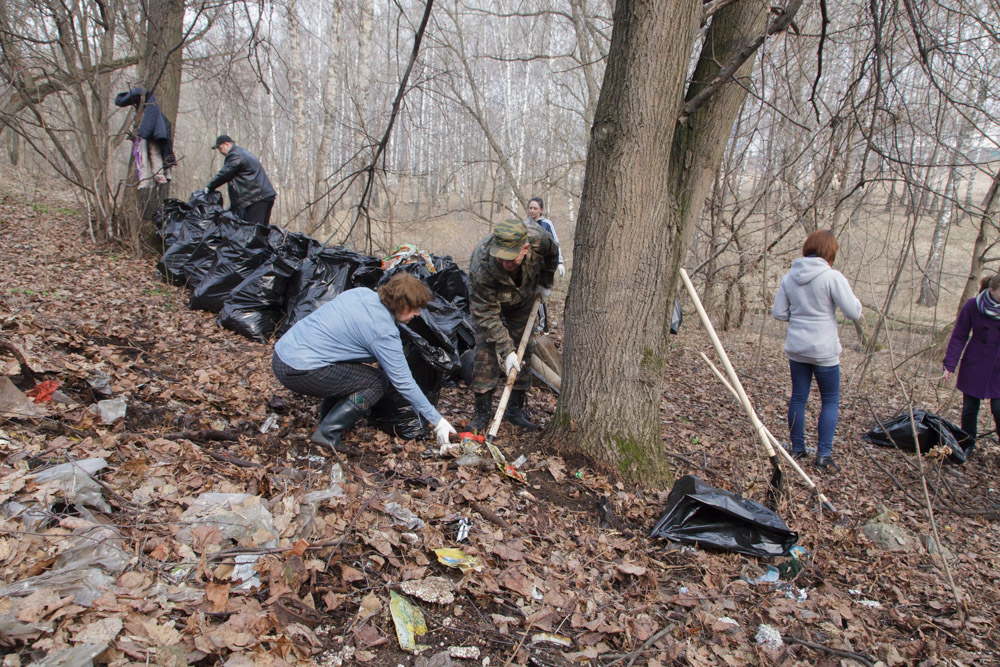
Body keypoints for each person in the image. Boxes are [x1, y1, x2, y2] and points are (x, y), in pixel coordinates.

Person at [272, 273, 456, 453]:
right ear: (401, 305)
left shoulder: (360, 294)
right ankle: (328, 433)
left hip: (282, 354)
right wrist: (437, 421)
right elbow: (404, 382)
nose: (417, 313)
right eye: (415, 308)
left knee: (354, 376)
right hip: (298, 369)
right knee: (376, 382)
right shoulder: (383, 331)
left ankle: (327, 421)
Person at [772, 230, 862, 472]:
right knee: (830, 400)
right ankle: (823, 455)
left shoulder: (789, 277)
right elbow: (853, 312)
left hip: (797, 349)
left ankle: (797, 449)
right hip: (824, 351)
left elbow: (779, 312)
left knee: (798, 398)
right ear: (829, 252)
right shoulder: (832, 277)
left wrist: (801, 318)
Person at [467, 218, 559, 431]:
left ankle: (514, 409)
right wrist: (506, 351)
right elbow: (487, 315)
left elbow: (552, 255)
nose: (506, 264)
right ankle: (482, 412)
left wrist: (546, 283)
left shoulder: (539, 240)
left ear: (525, 248)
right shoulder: (481, 264)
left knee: (523, 349)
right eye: (501, 258)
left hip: (524, 296)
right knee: (485, 348)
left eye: (511, 259)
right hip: (490, 300)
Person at [943, 272, 1000, 460]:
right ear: (992, 290)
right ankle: (967, 445)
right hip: (975, 363)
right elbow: (959, 335)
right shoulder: (973, 306)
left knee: (998, 409)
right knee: (969, 409)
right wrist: (949, 364)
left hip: (998, 368)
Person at [204, 134, 276, 224]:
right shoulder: (242, 152)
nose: (220, 151)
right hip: (262, 196)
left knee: (252, 231)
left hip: (256, 198)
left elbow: (225, 173)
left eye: (220, 148)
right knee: (261, 230)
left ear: (226, 144)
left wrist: (209, 187)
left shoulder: (235, 155)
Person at [114, 87, 175, 188]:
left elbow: (148, 126)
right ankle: (155, 177)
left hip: (153, 136)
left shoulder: (151, 109)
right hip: (154, 135)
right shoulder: (151, 110)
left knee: (149, 153)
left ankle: (153, 178)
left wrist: (143, 133)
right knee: (149, 153)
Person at [525, 197, 565, 278]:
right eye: (530, 208)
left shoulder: (547, 224)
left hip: (545, 262)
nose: (532, 211)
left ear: (541, 209)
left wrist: (560, 262)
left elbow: (555, 243)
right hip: (529, 263)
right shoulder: (525, 224)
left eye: (535, 208)